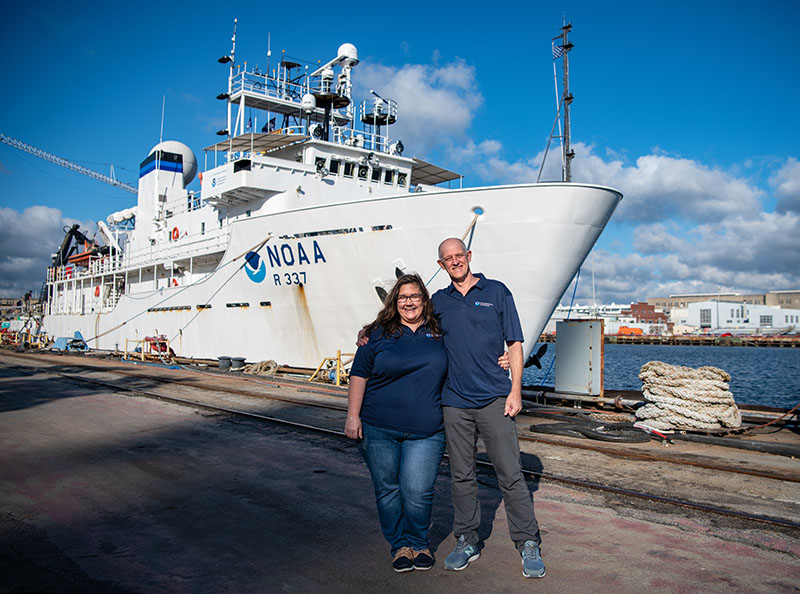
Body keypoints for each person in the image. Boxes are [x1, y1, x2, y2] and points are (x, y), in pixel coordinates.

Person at [433, 237, 545, 578]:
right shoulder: (438, 301)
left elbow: (514, 343)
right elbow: (408, 326)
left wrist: (516, 391)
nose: (455, 262)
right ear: (441, 265)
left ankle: (528, 542)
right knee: (461, 475)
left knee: (510, 474)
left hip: (495, 398)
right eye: (447, 259)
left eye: (459, 255)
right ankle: (467, 539)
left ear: (469, 256)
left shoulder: (497, 292)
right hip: (454, 401)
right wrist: (369, 332)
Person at [345, 274, 448, 573]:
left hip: (426, 430)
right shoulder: (377, 334)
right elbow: (359, 374)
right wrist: (353, 416)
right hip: (378, 427)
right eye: (403, 297)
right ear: (394, 301)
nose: (409, 302)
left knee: (418, 491)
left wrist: (503, 357)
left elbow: (472, 345)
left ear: (424, 300)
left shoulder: (440, 331)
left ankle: (419, 542)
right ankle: (400, 545)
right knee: (388, 490)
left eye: (414, 296)